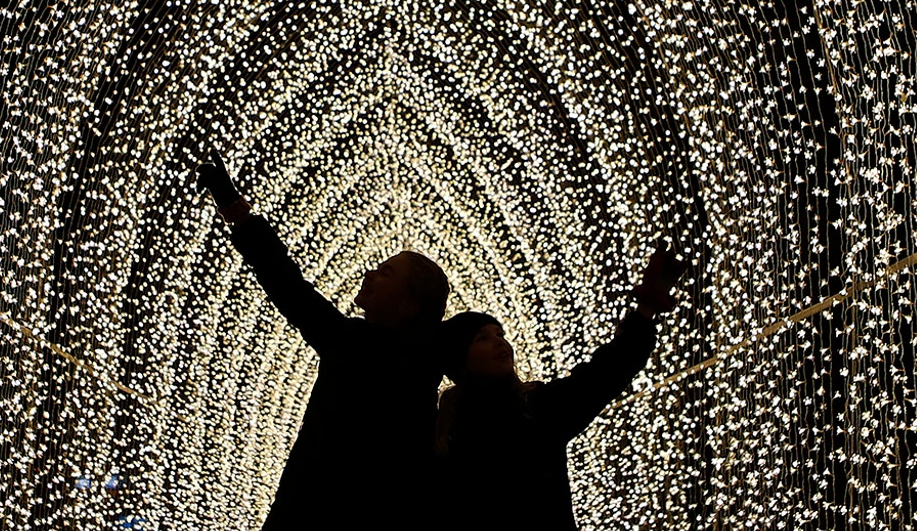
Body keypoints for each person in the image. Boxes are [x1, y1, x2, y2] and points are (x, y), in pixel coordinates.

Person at [196, 158, 450, 530]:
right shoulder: (415, 364)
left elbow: (286, 282)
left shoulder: (359, 346)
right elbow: (285, 282)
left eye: (385, 273)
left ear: (409, 304)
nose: (370, 273)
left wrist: (237, 211)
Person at [433, 247, 688, 530]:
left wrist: (645, 311)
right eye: (482, 338)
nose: (499, 342)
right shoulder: (445, 429)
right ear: (460, 359)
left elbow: (603, 374)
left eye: (500, 334)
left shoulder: (535, 407)